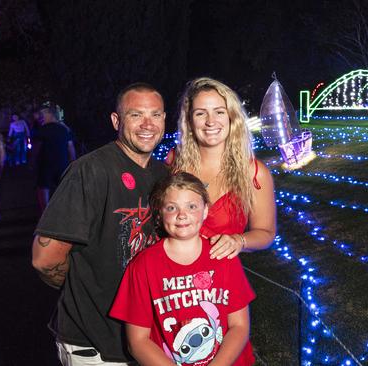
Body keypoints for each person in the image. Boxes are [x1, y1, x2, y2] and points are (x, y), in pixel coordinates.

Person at [31, 82, 168, 365]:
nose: (147, 124)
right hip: (93, 346)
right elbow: (44, 259)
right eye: (135, 115)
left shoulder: (162, 174)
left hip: (147, 341)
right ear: (116, 120)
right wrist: (88, 289)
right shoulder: (91, 170)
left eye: (155, 114)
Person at [110, 172, 255, 365]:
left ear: (205, 211)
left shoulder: (223, 255)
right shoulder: (143, 265)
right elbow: (137, 341)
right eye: (171, 207)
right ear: (160, 213)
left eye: (192, 206)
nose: (182, 215)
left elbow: (239, 326)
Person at [170, 77, 276, 260]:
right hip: (173, 275)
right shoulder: (173, 162)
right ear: (189, 120)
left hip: (220, 277)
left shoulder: (254, 173)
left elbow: (265, 233)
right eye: (200, 113)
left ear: (231, 117)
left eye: (219, 112)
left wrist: (238, 240)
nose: (211, 122)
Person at [31, 103, 77, 212]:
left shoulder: (42, 130)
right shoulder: (64, 129)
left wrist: (32, 161)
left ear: (49, 115)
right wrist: (73, 161)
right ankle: (65, 211)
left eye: (42, 115)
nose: (40, 118)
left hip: (45, 164)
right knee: (63, 188)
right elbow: (70, 147)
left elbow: (36, 149)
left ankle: (45, 213)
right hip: (62, 163)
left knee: (43, 188)